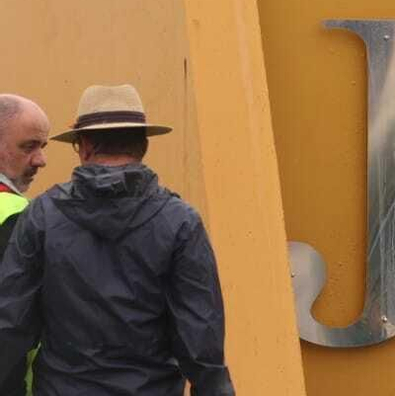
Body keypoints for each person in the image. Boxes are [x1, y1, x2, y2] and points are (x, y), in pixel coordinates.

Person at [0, 84, 235, 395]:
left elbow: (11, 326)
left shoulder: (42, 216)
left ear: (83, 146)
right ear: (143, 145)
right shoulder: (181, 222)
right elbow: (202, 342)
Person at [0, 95, 49, 396]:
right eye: (28, 146)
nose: (41, 159)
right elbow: (13, 326)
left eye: (43, 146)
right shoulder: (18, 217)